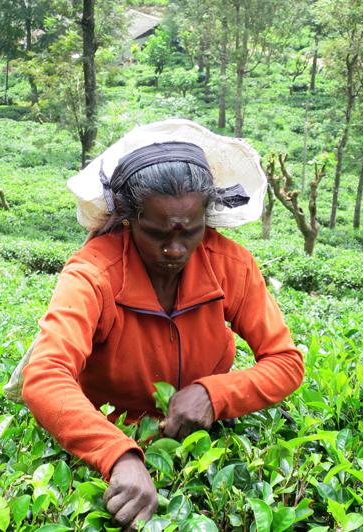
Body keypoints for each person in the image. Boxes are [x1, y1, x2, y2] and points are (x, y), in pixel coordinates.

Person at [17, 120, 305, 528]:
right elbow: (46, 376)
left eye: (189, 232)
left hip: (202, 445)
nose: (174, 249)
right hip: (110, 441)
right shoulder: (94, 272)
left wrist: (213, 394)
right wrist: (117, 454)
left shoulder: (229, 265)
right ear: (129, 220)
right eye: (156, 233)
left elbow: (286, 362)